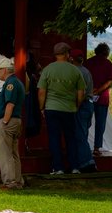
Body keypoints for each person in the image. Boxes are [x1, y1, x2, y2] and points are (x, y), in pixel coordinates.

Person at [37, 41, 86, 174]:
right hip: (69, 109)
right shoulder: (75, 70)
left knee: (54, 138)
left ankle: (58, 168)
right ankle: (75, 167)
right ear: (66, 54)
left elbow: (41, 91)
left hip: (51, 108)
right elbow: (81, 93)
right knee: (71, 138)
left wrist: (42, 107)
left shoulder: (47, 69)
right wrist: (76, 105)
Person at [0, 55, 26, 190]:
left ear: (5, 70)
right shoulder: (18, 82)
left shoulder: (10, 84)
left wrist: (5, 121)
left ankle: (9, 182)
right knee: (13, 153)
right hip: (17, 120)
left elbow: (10, 104)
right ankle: (17, 181)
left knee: (5, 152)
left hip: (9, 120)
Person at [84, 42, 112, 154]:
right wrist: (100, 90)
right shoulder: (108, 64)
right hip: (102, 98)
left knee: (85, 122)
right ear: (106, 52)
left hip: (87, 96)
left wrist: (91, 90)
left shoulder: (88, 63)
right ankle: (97, 148)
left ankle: (84, 145)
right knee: (100, 124)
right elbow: (110, 81)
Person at [70, 49, 96, 172]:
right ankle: (82, 161)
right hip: (89, 105)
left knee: (79, 135)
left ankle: (87, 163)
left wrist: (75, 106)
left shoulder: (76, 72)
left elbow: (80, 93)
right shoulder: (87, 71)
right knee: (83, 133)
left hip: (82, 104)